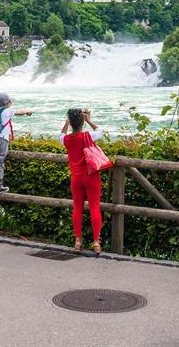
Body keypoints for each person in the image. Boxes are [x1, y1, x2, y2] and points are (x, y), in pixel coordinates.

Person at [59, 108, 104, 254]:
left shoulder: (66, 139)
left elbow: (61, 135)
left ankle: (78, 241)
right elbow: (100, 131)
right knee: (94, 208)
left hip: (76, 178)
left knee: (77, 208)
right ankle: (96, 242)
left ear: (71, 122)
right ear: (82, 122)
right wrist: (89, 120)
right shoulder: (88, 136)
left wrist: (67, 123)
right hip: (91, 176)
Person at [0, 92, 33, 200]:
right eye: (10, 102)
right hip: (2, 139)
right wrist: (28, 111)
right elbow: (20, 112)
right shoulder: (7, 111)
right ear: (7, 103)